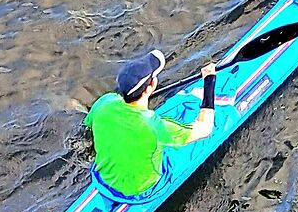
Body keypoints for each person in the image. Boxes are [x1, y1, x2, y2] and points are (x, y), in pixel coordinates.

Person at [85, 49, 216, 200]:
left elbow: (89, 125)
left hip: (104, 180)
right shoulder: (155, 126)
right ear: (150, 87)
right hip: (142, 190)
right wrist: (209, 81)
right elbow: (205, 129)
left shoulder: (104, 102)